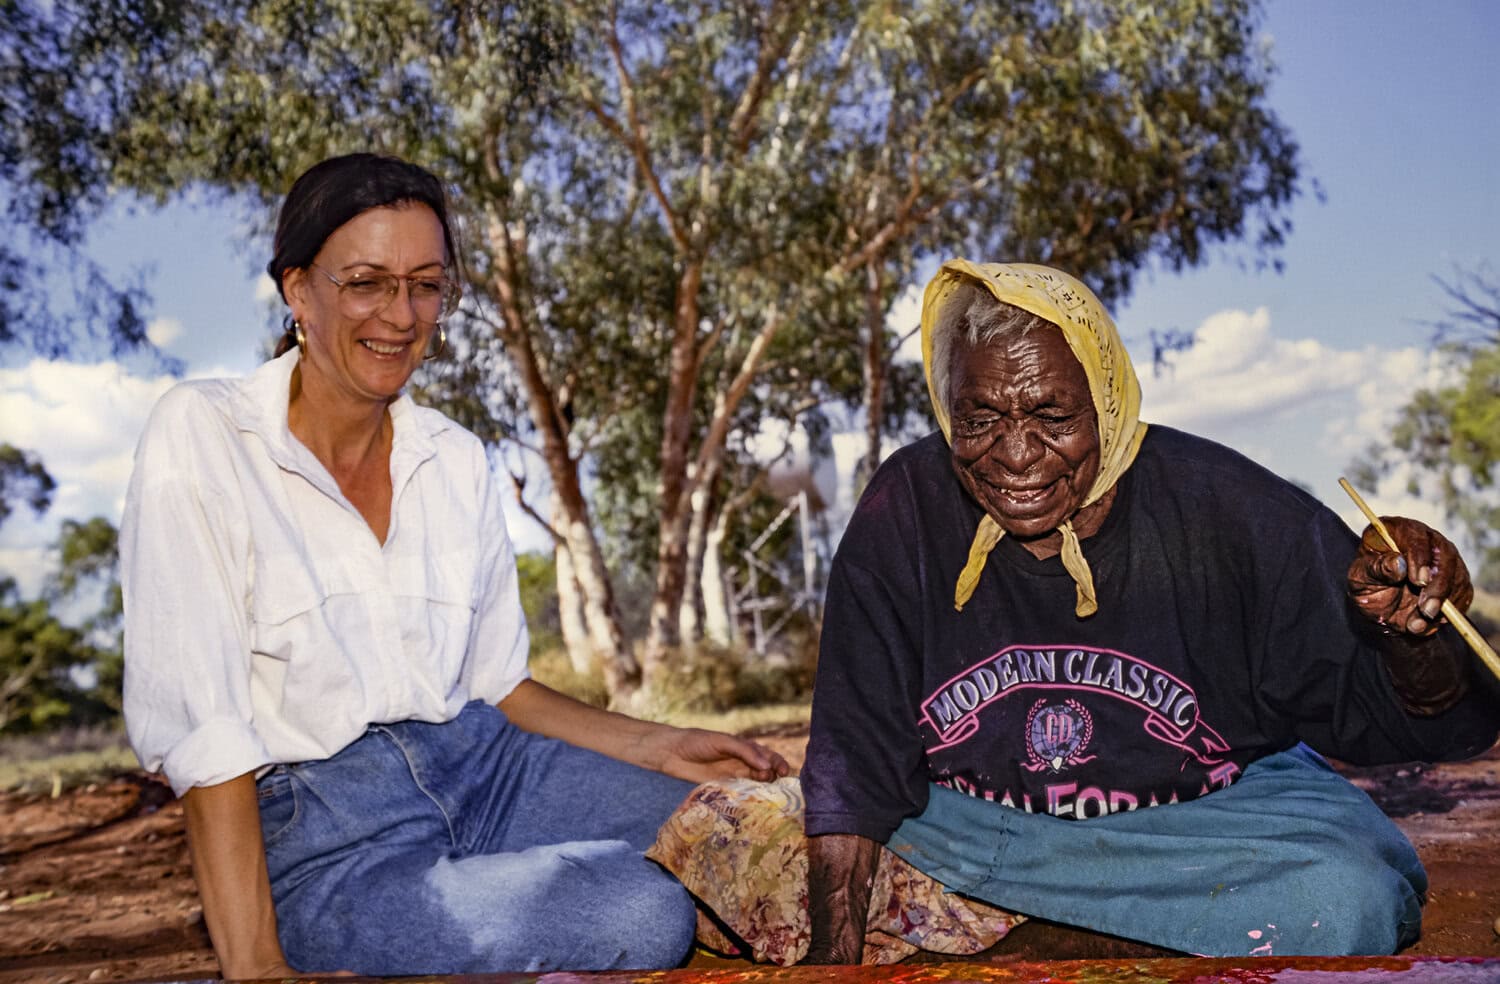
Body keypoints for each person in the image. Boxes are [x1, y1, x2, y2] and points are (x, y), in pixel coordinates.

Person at [121, 153, 788, 979]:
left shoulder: (455, 457)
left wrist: (659, 746)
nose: (401, 315)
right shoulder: (205, 435)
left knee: (756, 828)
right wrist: (256, 967)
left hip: (489, 767)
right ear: (298, 290)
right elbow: (207, 729)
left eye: (426, 284)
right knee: (643, 909)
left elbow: (500, 685)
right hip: (326, 829)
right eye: (367, 282)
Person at [801, 260, 1499, 961]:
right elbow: (854, 762)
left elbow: (1421, 719)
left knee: (1342, 903)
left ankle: (1026, 951)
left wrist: (1417, 633)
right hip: (985, 831)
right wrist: (834, 976)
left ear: (1105, 401)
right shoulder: (905, 508)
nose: (1014, 455)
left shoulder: (1224, 507)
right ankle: (1113, 940)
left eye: (1052, 416)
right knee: (743, 832)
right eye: (979, 418)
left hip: (1198, 828)